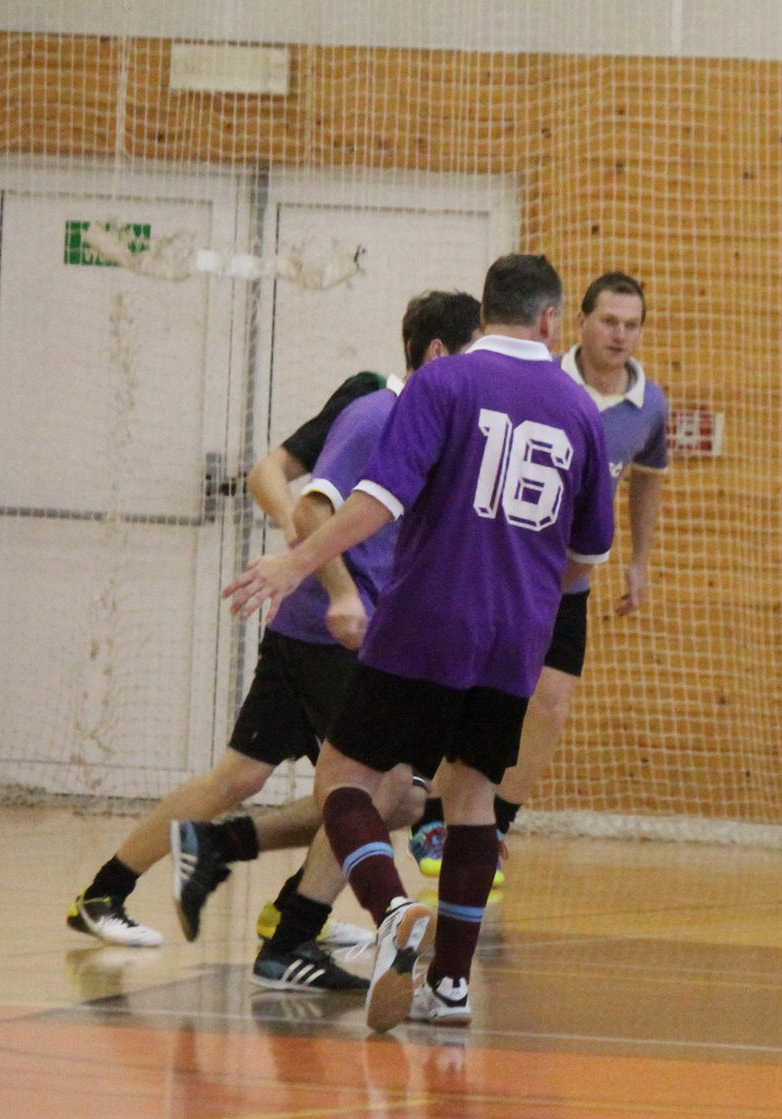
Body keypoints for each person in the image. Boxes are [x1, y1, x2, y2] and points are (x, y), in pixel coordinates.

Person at [222, 253, 614, 1032]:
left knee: (343, 777)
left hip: (427, 620)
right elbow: (587, 553)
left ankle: (393, 910)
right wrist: (528, 589)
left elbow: (378, 497)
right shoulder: (580, 410)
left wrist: (296, 562)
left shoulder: (444, 382)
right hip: (516, 636)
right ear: (550, 320)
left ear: (487, 310)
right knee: (471, 797)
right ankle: (452, 986)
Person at [64, 290, 479, 966]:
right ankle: (291, 920)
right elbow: (312, 509)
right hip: (332, 633)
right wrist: (342, 593)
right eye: (475, 353)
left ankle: (110, 890)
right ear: (439, 353)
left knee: (242, 778)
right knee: (386, 793)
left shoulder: (425, 423)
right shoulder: (380, 413)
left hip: (317, 630)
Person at [409, 271, 669, 882]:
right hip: (504, 571)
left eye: (632, 325)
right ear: (578, 322)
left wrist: (639, 560)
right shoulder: (545, 381)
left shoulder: (649, 404)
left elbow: (648, 477)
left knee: (550, 706)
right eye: (609, 321)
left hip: (566, 583)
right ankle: (434, 818)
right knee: (474, 698)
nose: (620, 335)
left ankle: (492, 830)